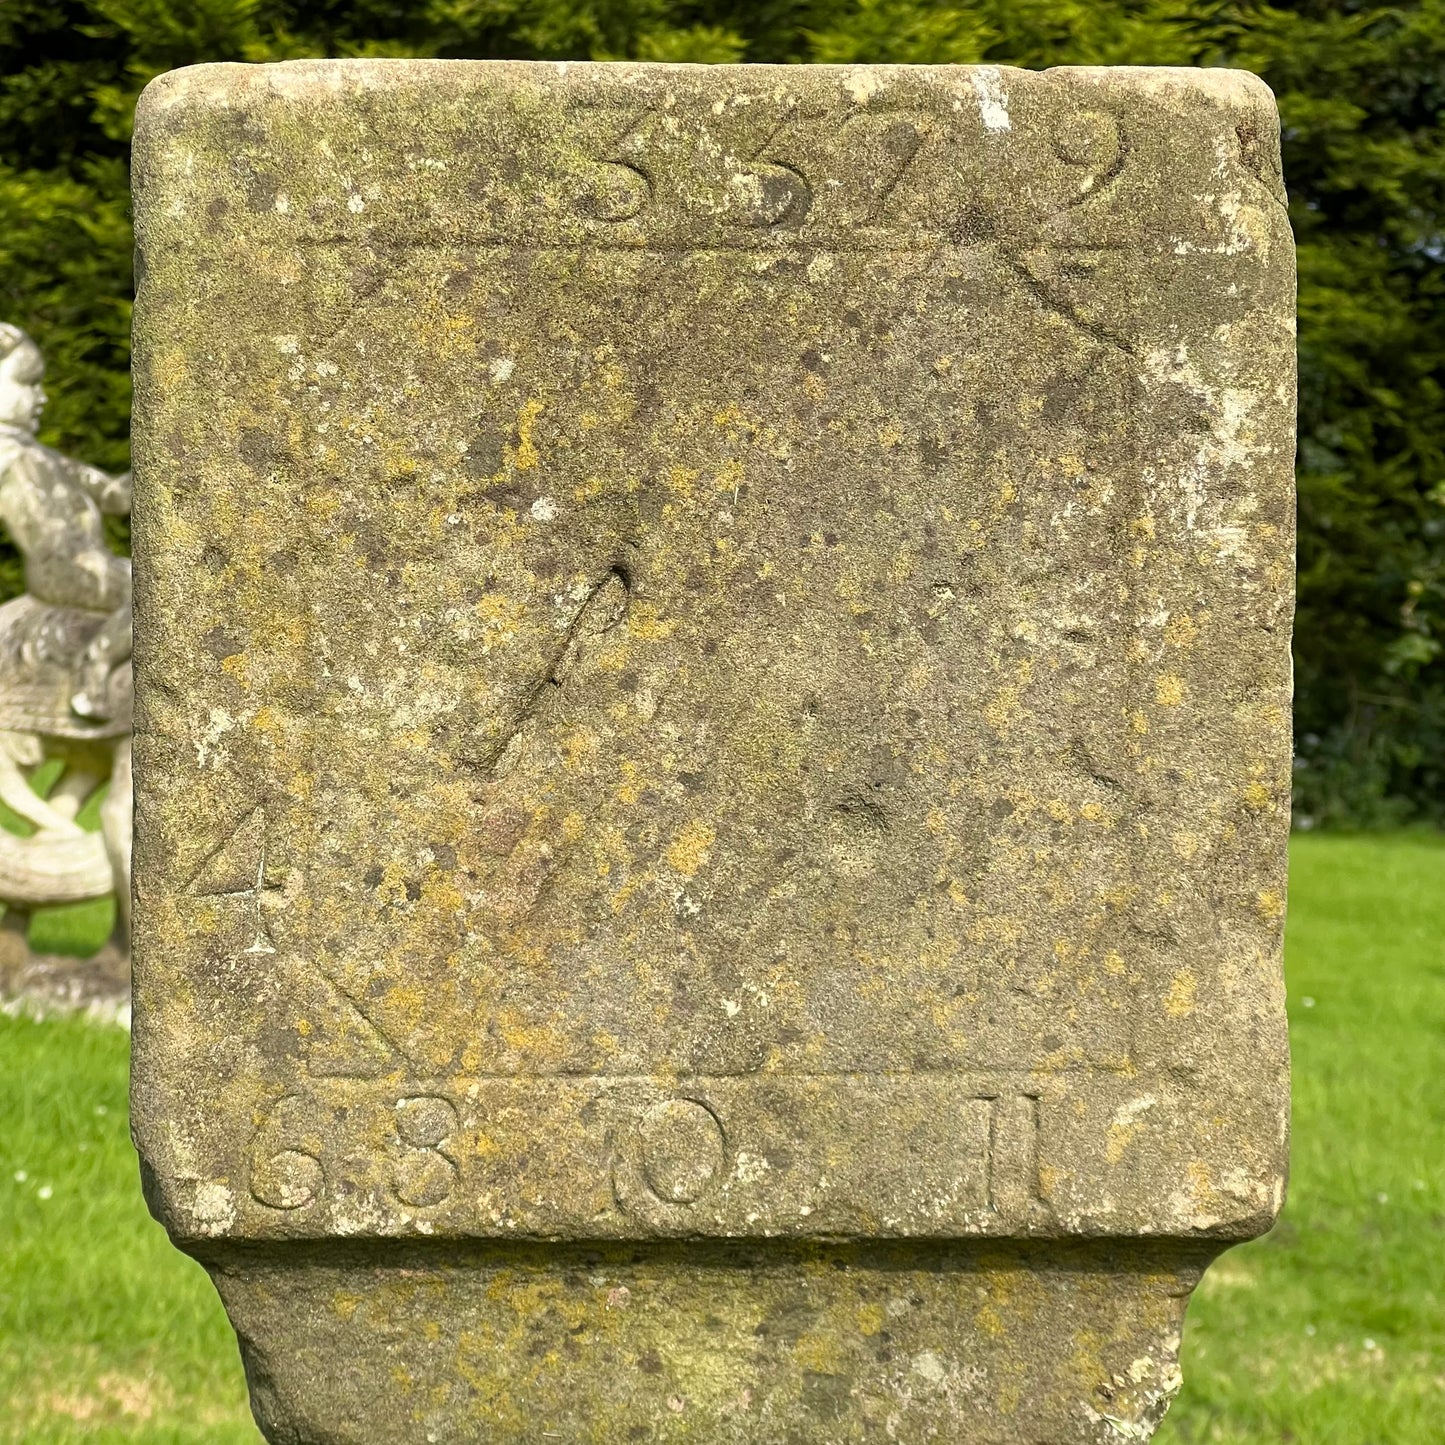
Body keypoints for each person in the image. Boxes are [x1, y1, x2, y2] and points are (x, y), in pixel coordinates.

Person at [0, 323, 131, 720]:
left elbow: (113, 496)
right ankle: (95, 667)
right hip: (60, 568)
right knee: (151, 591)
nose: (42, 397)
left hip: (84, 563)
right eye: (28, 384)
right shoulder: (6, 455)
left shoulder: (42, 455)